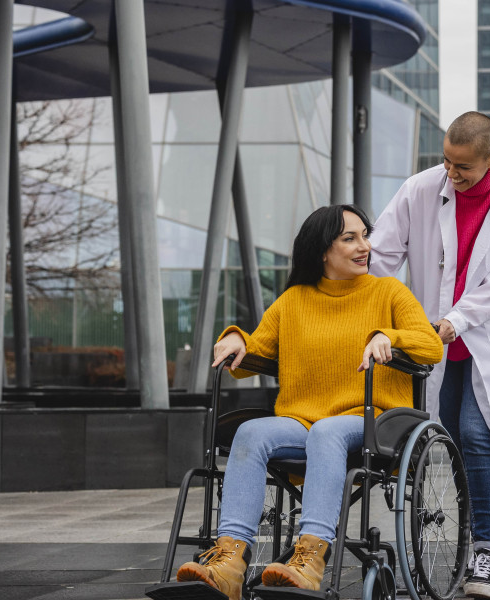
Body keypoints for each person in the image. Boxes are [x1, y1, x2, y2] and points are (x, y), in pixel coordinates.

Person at [174, 205, 443, 600]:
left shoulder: (389, 292)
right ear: (322, 251)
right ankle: (229, 561)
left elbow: (432, 346)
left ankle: (310, 558)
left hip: (372, 419)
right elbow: (256, 351)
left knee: (327, 432)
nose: (364, 246)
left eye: (364, 236)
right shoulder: (294, 300)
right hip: (303, 419)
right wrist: (236, 339)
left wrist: (390, 336)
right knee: (251, 432)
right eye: (350, 239)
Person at [369, 111, 490, 599]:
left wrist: (458, 319)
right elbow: (381, 256)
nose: (451, 173)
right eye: (446, 160)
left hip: (485, 335)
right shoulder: (420, 188)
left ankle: (486, 550)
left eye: (462, 166)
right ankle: (440, 543)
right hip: (430, 337)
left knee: (475, 434)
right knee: (434, 437)